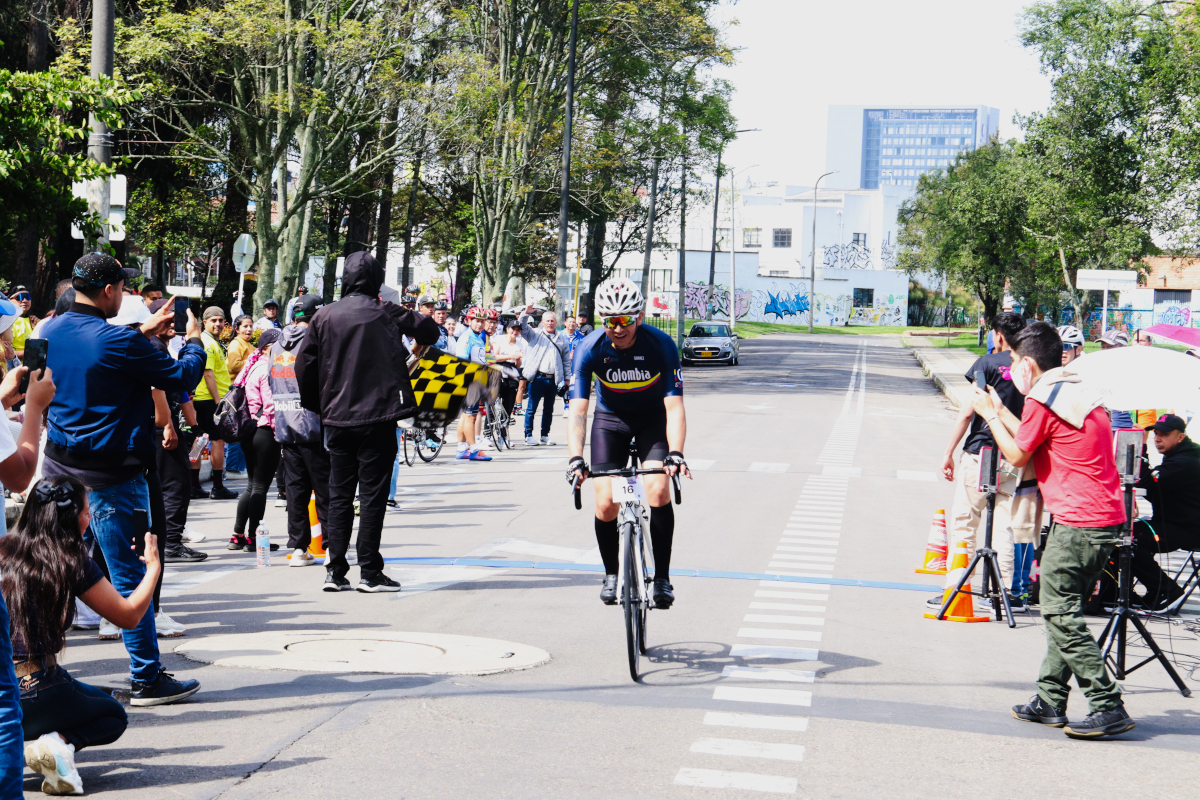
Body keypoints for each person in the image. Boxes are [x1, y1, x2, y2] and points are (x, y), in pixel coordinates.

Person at [41, 253, 204, 706]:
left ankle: (38, 670)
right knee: (130, 574)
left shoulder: (48, 330)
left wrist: (140, 332)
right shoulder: (119, 344)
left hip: (58, 472)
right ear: (110, 291)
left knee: (49, 570)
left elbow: (86, 355)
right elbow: (182, 375)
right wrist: (192, 340)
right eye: (123, 288)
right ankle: (147, 678)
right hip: (113, 478)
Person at [973, 320, 1134, 739]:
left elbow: (1018, 454)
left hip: (1079, 521)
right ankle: (1049, 700)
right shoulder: (1071, 391)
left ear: (1027, 364)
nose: (1009, 369)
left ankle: (1107, 704)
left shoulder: (1044, 401)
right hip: (1101, 518)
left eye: (1012, 362)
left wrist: (990, 415)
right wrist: (1003, 409)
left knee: (1060, 612)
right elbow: (1035, 435)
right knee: (1065, 612)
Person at [2, 477, 166, 795]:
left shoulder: (2, 550)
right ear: (72, 516)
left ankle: (13, 751)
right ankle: (56, 744)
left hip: (3, 691)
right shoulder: (70, 559)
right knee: (111, 714)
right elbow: (129, 615)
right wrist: (153, 569)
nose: (89, 518)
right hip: (40, 688)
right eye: (87, 511)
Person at [296, 251, 438, 593]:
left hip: (337, 417)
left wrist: (317, 405)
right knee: (373, 495)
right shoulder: (385, 311)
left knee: (339, 493)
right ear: (376, 279)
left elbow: (304, 364)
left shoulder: (324, 315)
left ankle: (335, 569)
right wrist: (402, 310)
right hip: (378, 415)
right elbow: (430, 332)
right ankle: (369, 571)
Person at [565, 278, 690, 609]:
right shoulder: (589, 348)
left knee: (658, 491)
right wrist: (576, 459)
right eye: (610, 321)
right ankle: (611, 573)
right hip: (611, 421)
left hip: (652, 420)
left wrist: (676, 454)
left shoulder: (660, 345)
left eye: (625, 320)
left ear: (639, 316)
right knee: (605, 502)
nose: (618, 328)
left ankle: (661, 577)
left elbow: (675, 407)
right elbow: (578, 410)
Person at [932, 312, 1038, 612]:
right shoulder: (1030, 368)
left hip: (981, 452)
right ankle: (1003, 594)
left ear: (999, 336)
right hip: (1014, 455)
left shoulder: (987, 365)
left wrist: (948, 452)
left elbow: (968, 412)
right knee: (1004, 526)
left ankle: (956, 590)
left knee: (965, 522)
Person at [146, 299, 207, 575]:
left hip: (165, 423)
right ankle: (170, 542)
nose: (173, 323)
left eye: (176, 319)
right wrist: (168, 423)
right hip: (161, 426)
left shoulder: (162, 346)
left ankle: (170, 540)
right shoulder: (154, 346)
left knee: (173, 485)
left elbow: (178, 390)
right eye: (168, 318)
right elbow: (157, 387)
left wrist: (190, 423)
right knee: (175, 486)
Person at [268, 295, 328, 566]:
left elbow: (272, 381)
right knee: (326, 488)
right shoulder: (314, 341)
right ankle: (330, 547)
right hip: (313, 424)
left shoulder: (276, 344)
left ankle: (299, 548)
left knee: (295, 490)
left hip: (285, 423)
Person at [1128, 414, 1200, 610]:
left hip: (1188, 529)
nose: (1157, 439)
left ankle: (1166, 589)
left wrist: (1139, 448)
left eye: (1165, 434)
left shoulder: (1185, 461)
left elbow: (1146, 482)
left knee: (1128, 538)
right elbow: (1156, 490)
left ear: (1180, 437)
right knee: (1124, 532)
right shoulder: (1180, 457)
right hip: (1175, 523)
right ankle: (1133, 592)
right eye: (1156, 434)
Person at [228, 329, 283, 551]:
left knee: (252, 486)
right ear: (268, 347)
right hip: (265, 430)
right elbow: (270, 405)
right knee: (260, 487)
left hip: (249, 431)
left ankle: (237, 535)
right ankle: (254, 539)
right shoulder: (267, 368)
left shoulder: (252, 366)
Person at [189, 307, 239, 500]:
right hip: (211, 399)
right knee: (218, 441)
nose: (218, 324)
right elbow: (208, 374)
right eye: (214, 321)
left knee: (200, 439)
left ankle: (194, 485)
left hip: (203, 399)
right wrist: (220, 403)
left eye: (221, 321)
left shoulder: (208, 341)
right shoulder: (208, 344)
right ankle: (217, 487)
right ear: (205, 322)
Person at [516, 305, 569, 446]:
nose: (550, 323)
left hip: (553, 380)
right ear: (542, 323)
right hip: (538, 378)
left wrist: (567, 379)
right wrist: (525, 314)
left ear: (556, 322)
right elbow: (522, 327)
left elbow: (566, 360)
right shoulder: (535, 334)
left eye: (552, 320)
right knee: (532, 408)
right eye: (547, 321)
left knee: (548, 409)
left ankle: (545, 435)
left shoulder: (561, 338)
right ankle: (528, 435)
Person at [453, 307, 493, 462]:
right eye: (477, 321)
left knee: (465, 416)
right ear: (468, 321)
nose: (480, 324)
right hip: (469, 383)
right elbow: (462, 362)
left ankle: (462, 448)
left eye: (482, 321)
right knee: (471, 417)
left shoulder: (478, 337)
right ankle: (474, 449)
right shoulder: (467, 338)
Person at [492, 321, 525, 417]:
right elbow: (494, 357)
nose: (515, 332)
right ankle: (488, 427)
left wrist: (518, 358)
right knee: (494, 399)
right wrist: (510, 356)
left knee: (509, 401)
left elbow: (518, 365)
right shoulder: (500, 339)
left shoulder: (519, 344)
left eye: (518, 330)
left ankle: (505, 422)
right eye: (513, 329)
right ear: (507, 329)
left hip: (511, 371)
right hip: (499, 368)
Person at [561, 314, 583, 418]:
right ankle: (566, 407)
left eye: (573, 322)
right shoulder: (560, 336)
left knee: (573, 386)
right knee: (564, 385)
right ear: (565, 323)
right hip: (562, 364)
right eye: (569, 322)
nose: (571, 324)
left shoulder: (580, 336)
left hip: (575, 365)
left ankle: (570, 407)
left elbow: (584, 350)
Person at [226, 314, 256, 379]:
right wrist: (254, 361)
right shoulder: (235, 344)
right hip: (235, 386)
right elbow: (234, 366)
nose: (249, 329)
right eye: (245, 326)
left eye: (251, 326)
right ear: (237, 330)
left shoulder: (249, 345)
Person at [8, 287, 34, 361]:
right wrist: (32, 353)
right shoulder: (6, 322)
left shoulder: (34, 321)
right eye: (20, 297)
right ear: (10, 300)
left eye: (27, 296)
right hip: (13, 370)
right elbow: (3, 353)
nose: (25, 300)